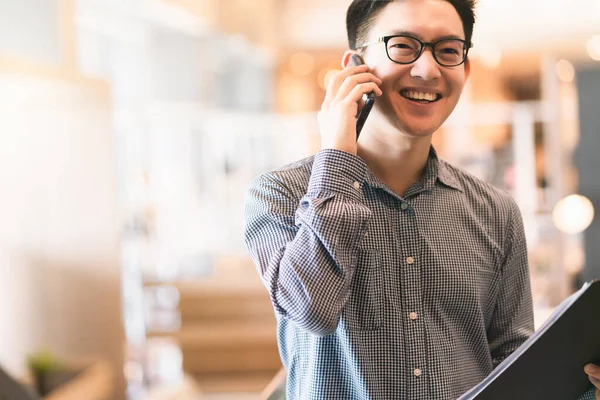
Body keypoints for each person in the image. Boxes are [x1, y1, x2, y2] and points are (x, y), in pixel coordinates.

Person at [244, 0, 600, 398]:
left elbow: (514, 365)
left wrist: (584, 385)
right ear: (354, 67)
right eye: (404, 45)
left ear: (464, 69)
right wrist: (338, 157)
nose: (428, 70)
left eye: (448, 51)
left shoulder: (495, 212)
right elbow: (312, 310)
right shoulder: (280, 195)